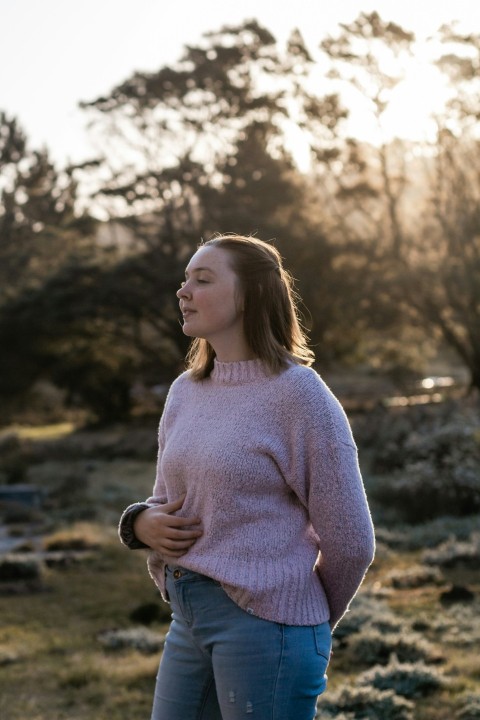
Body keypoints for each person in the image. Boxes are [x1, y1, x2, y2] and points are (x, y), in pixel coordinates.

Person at [119, 234, 375, 720]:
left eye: (203, 279)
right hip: (187, 619)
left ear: (249, 295)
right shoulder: (185, 391)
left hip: (267, 628)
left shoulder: (300, 396)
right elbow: (164, 503)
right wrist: (139, 525)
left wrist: (303, 619)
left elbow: (352, 543)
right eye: (185, 279)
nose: (183, 291)